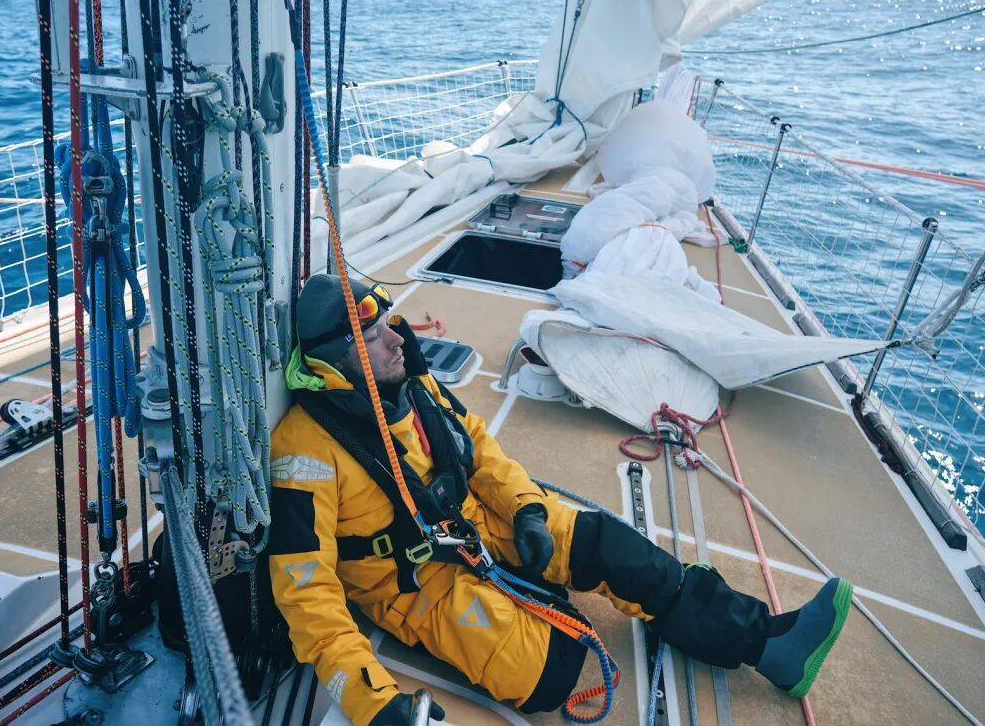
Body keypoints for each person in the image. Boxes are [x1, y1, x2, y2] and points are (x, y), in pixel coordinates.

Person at [268, 274, 852, 725]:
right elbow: (307, 596)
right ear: (335, 358)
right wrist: (373, 703)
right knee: (553, 673)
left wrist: (525, 508)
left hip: (475, 522)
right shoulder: (304, 450)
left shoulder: (410, 382)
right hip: (415, 585)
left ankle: (768, 643)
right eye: (375, 337)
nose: (399, 340)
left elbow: (478, 449)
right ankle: (539, 604)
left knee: (614, 548)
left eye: (391, 326)